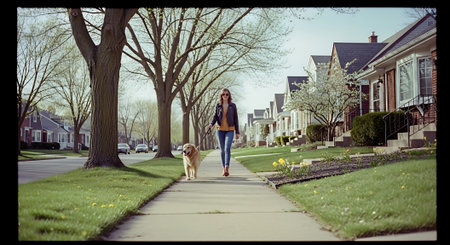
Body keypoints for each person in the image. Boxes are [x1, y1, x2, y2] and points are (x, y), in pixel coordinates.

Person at [209, 88, 240, 177]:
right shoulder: (218, 105)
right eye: (223, 94)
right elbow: (215, 116)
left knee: (227, 149)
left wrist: (237, 132)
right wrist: (211, 124)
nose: (225, 96)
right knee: (222, 150)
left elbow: (236, 119)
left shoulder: (233, 106)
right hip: (220, 130)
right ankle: (223, 169)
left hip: (230, 129)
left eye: (227, 94)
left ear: (229, 95)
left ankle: (227, 167)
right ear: (221, 96)